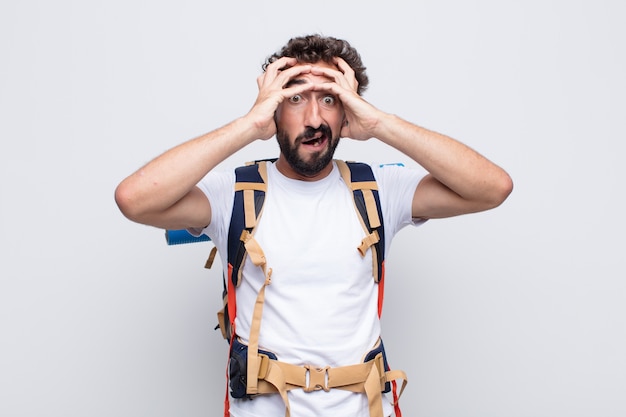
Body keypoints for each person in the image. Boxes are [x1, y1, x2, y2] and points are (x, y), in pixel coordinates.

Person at [115, 34, 513, 417]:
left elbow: (493, 188)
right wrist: (250, 125)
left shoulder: (378, 189)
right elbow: (134, 199)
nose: (314, 118)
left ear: (346, 113)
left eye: (329, 99)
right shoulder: (232, 193)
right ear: (274, 110)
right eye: (294, 98)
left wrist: (379, 124)